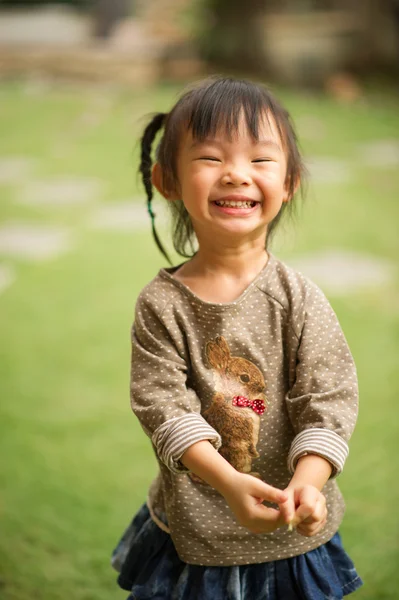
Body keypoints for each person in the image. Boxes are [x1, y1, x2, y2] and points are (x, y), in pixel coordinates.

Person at [112, 77, 363, 599]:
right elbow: (163, 408)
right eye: (209, 158)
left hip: (294, 530)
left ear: (289, 181)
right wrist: (228, 482)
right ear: (167, 181)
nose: (235, 174)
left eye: (260, 160)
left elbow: (329, 401)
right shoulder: (162, 305)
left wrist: (307, 486)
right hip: (195, 527)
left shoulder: (299, 298)